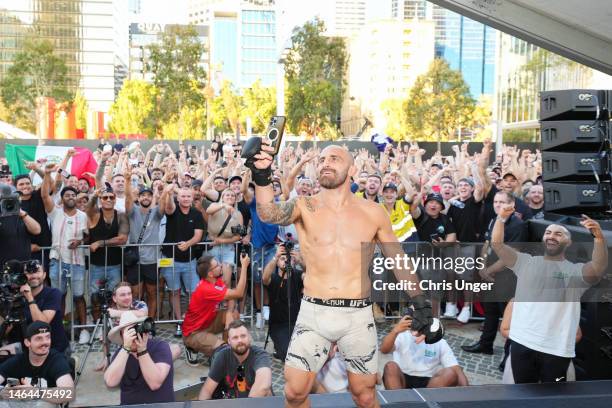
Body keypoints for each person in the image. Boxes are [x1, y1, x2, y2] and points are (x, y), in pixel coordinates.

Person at [244, 142, 442, 408]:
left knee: (364, 395)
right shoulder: (304, 205)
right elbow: (268, 213)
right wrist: (261, 176)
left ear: (352, 168)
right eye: (323, 159)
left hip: (358, 316)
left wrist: (420, 301)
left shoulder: (373, 211)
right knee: (294, 392)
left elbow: (398, 259)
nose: (326, 163)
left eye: (335, 158)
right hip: (314, 312)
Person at [489, 208, 607, 383]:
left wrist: (598, 238)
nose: (552, 236)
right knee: (523, 394)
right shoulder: (525, 262)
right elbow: (497, 244)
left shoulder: (574, 272)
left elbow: (598, 267)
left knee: (551, 398)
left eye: (559, 234)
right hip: (522, 344)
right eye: (548, 232)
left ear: (568, 242)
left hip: (556, 350)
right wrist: (501, 218)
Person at [462, 191, 527, 355]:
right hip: (490, 275)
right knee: (490, 313)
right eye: (496, 201)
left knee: (508, 317)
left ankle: (509, 354)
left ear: (512, 204)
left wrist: (488, 271)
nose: (497, 205)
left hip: (507, 278)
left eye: (502, 202)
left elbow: (510, 255)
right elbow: (486, 244)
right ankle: (485, 344)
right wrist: (482, 266)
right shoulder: (494, 220)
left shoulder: (518, 225)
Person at [40, 164, 89, 344]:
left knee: (78, 296)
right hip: (57, 261)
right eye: (67, 195)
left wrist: (80, 242)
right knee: (57, 296)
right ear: (62, 198)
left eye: (73, 195)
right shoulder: (55, 213)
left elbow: (87, 236)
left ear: (77, 198)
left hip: (77, 262)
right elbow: (45, 195)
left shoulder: (83, 216)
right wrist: (47, 174)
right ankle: (58, 330)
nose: (70, 197)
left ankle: (83, 330)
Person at [182, 254, 249, 365]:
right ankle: (193, 347)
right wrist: (245, 267)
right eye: (217, 265)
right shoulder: (206, 288)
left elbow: (231, 296)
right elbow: (239, 293)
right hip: (193, 333)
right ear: (210, 274)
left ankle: (226, 347)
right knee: (223, 351)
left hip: (207, 323)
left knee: (234, 315)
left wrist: (229, 313)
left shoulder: (215, 280)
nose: (221, 265)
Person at [160, 185, 205, 337]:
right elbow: (168, 207)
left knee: (194, 292)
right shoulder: (173, 210)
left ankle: (191, 320)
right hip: (169, 259)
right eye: (183, 196)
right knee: (174, 291)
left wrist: (188, 244)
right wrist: (168, 192)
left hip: (189, 260)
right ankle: (179, 321)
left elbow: (198, 235)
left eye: (188, 196)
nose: (186, 199)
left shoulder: (196, 214)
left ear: (192, 198)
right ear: (178, 198)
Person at [104, 312, 175, 405]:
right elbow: (110, 382)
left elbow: (155, 383)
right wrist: (126, 348)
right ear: (122, 335)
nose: (134, 335)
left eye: (135, 329)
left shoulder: (160, 347)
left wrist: (142, 350)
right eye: (129, 331)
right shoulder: (120, 355)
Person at [381, 314, 468, 389]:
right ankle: (398, 404)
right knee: (390, 366)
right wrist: (395, 331)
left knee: (450, 373)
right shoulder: (402, 335)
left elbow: (455, 368)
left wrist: (467, 391)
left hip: (429, 383)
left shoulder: (440, 342)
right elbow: (384, 350)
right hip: (402, 377)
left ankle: (427, 403)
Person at [85, 186, 129, 327]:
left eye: (111, 197)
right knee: (95, 297)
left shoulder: (121, 215)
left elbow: (122, 239)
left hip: (115, 264)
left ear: (115, 199)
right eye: (105, 197)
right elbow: (88, 209)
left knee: (114, 296)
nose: (109, 199)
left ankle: (112, 323)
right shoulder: (95, 214)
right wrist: (93, 196)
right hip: (96, 264)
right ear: (100, 200)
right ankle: (98, 325)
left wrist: (100, 242)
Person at [0, 321, 74, 404]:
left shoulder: (57, 360)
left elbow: (68, 393)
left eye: (47, 337)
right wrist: (1, 392)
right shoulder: (18, 360)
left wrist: (36, 392)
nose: (45, 342)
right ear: (27, 342)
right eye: (39, 338)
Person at [198, 320, 272, 399]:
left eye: (243, 336)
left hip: (258, 402)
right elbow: (207, 390)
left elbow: (263, 387)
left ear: (249, 338)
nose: (240, 340)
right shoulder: (222, 356)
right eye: (235, 337)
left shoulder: (260, 355)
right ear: (229, 341)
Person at [125, 176, 165, 318]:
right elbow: (128, 199)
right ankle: (136, 322)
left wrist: (162, 189)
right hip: (135, 260)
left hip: (152, 260)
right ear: (139, 198)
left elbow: (164, 204)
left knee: (152, 293)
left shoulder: (156, 213)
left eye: (149, 195)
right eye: (143, 195)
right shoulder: (133, 211)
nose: (146, 198)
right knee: (135, 294)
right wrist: (127, 180)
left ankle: (150, 321)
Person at [262, 244, 305, 360]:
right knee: (288, 355)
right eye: (283, 258)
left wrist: (300, 260)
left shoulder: (298, 275)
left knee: (306, 352)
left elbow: (312, 276)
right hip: (278, 326)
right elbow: (265, 278)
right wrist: (275, 256)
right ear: (277, 263)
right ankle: (279, 346)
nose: (286, 261)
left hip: (297, 324)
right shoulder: (274, 278)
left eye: (289, 258)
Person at [0, 184, 41, 268]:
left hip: (23, 266)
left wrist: (22, 213)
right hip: (3, 267)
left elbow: (37, 230)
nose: (12, 200)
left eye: (15, 196)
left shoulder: (22, 215)